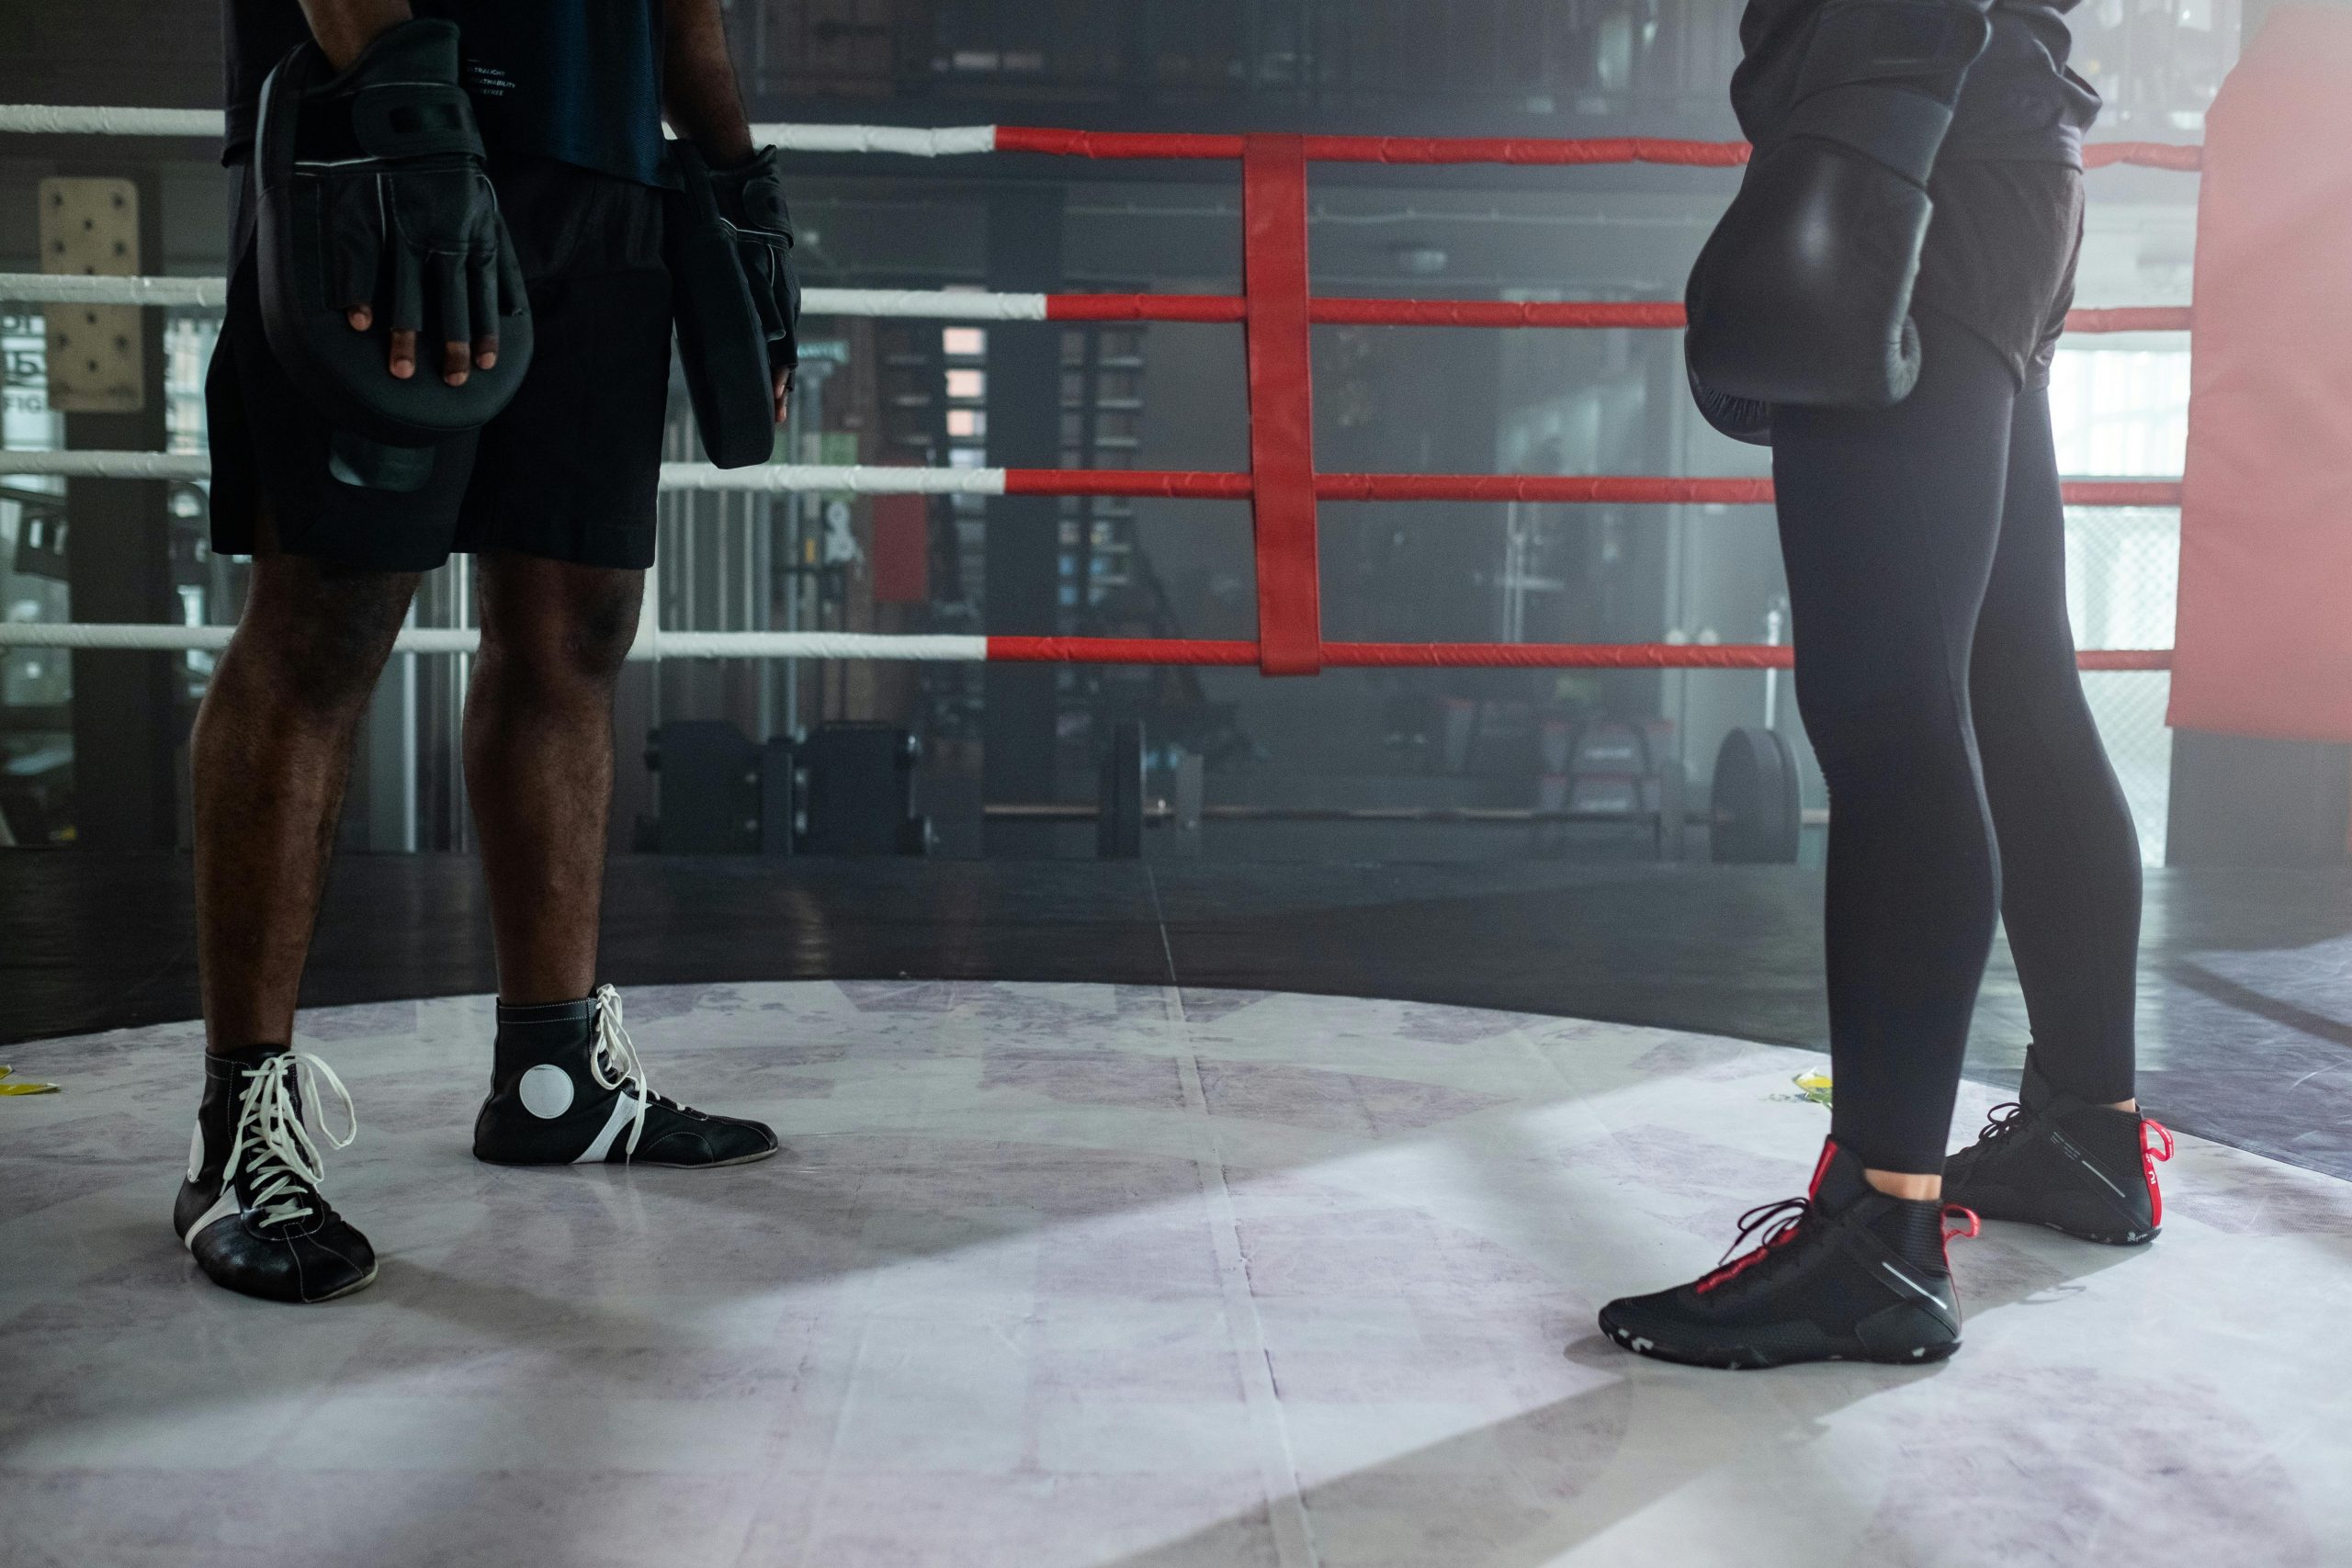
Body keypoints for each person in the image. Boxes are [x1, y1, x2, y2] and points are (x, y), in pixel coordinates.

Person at [175, 0, 801, 1304]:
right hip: (377, 137)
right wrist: (406, 103)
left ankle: (552, 1076)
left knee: (577, 623)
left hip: (599, 176)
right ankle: (237, 1139)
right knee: (325, 622)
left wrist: (737, 177)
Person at [1599, 0, 2174, 1368]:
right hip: (2007, 158)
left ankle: (1878, 1242)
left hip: (1912, 143)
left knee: (1885, 701)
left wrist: (1863, 150)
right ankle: (2087, 1141)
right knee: (2009, 672)